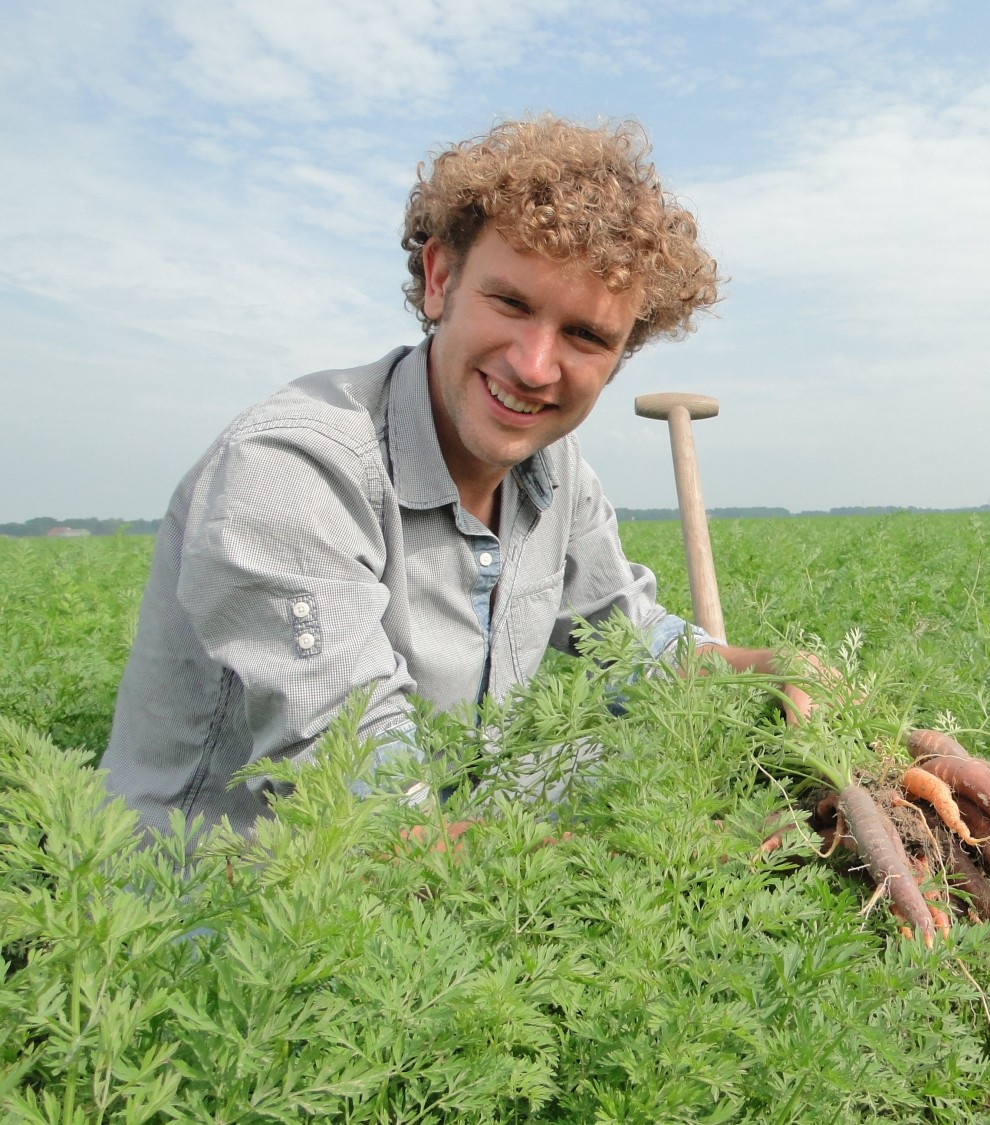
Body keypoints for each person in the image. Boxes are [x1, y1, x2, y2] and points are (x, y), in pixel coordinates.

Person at [101, 116, 812, 841]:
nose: (535, 366)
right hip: (225, 912)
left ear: (620, 354)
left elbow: (630, 643)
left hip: (446, 835)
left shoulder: (554, 475)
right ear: (440, 279)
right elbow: (373, 812)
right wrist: (681, 852)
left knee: (683, 756)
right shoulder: (293, 471)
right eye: (511, 303)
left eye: (585, 335)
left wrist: (767, 672)